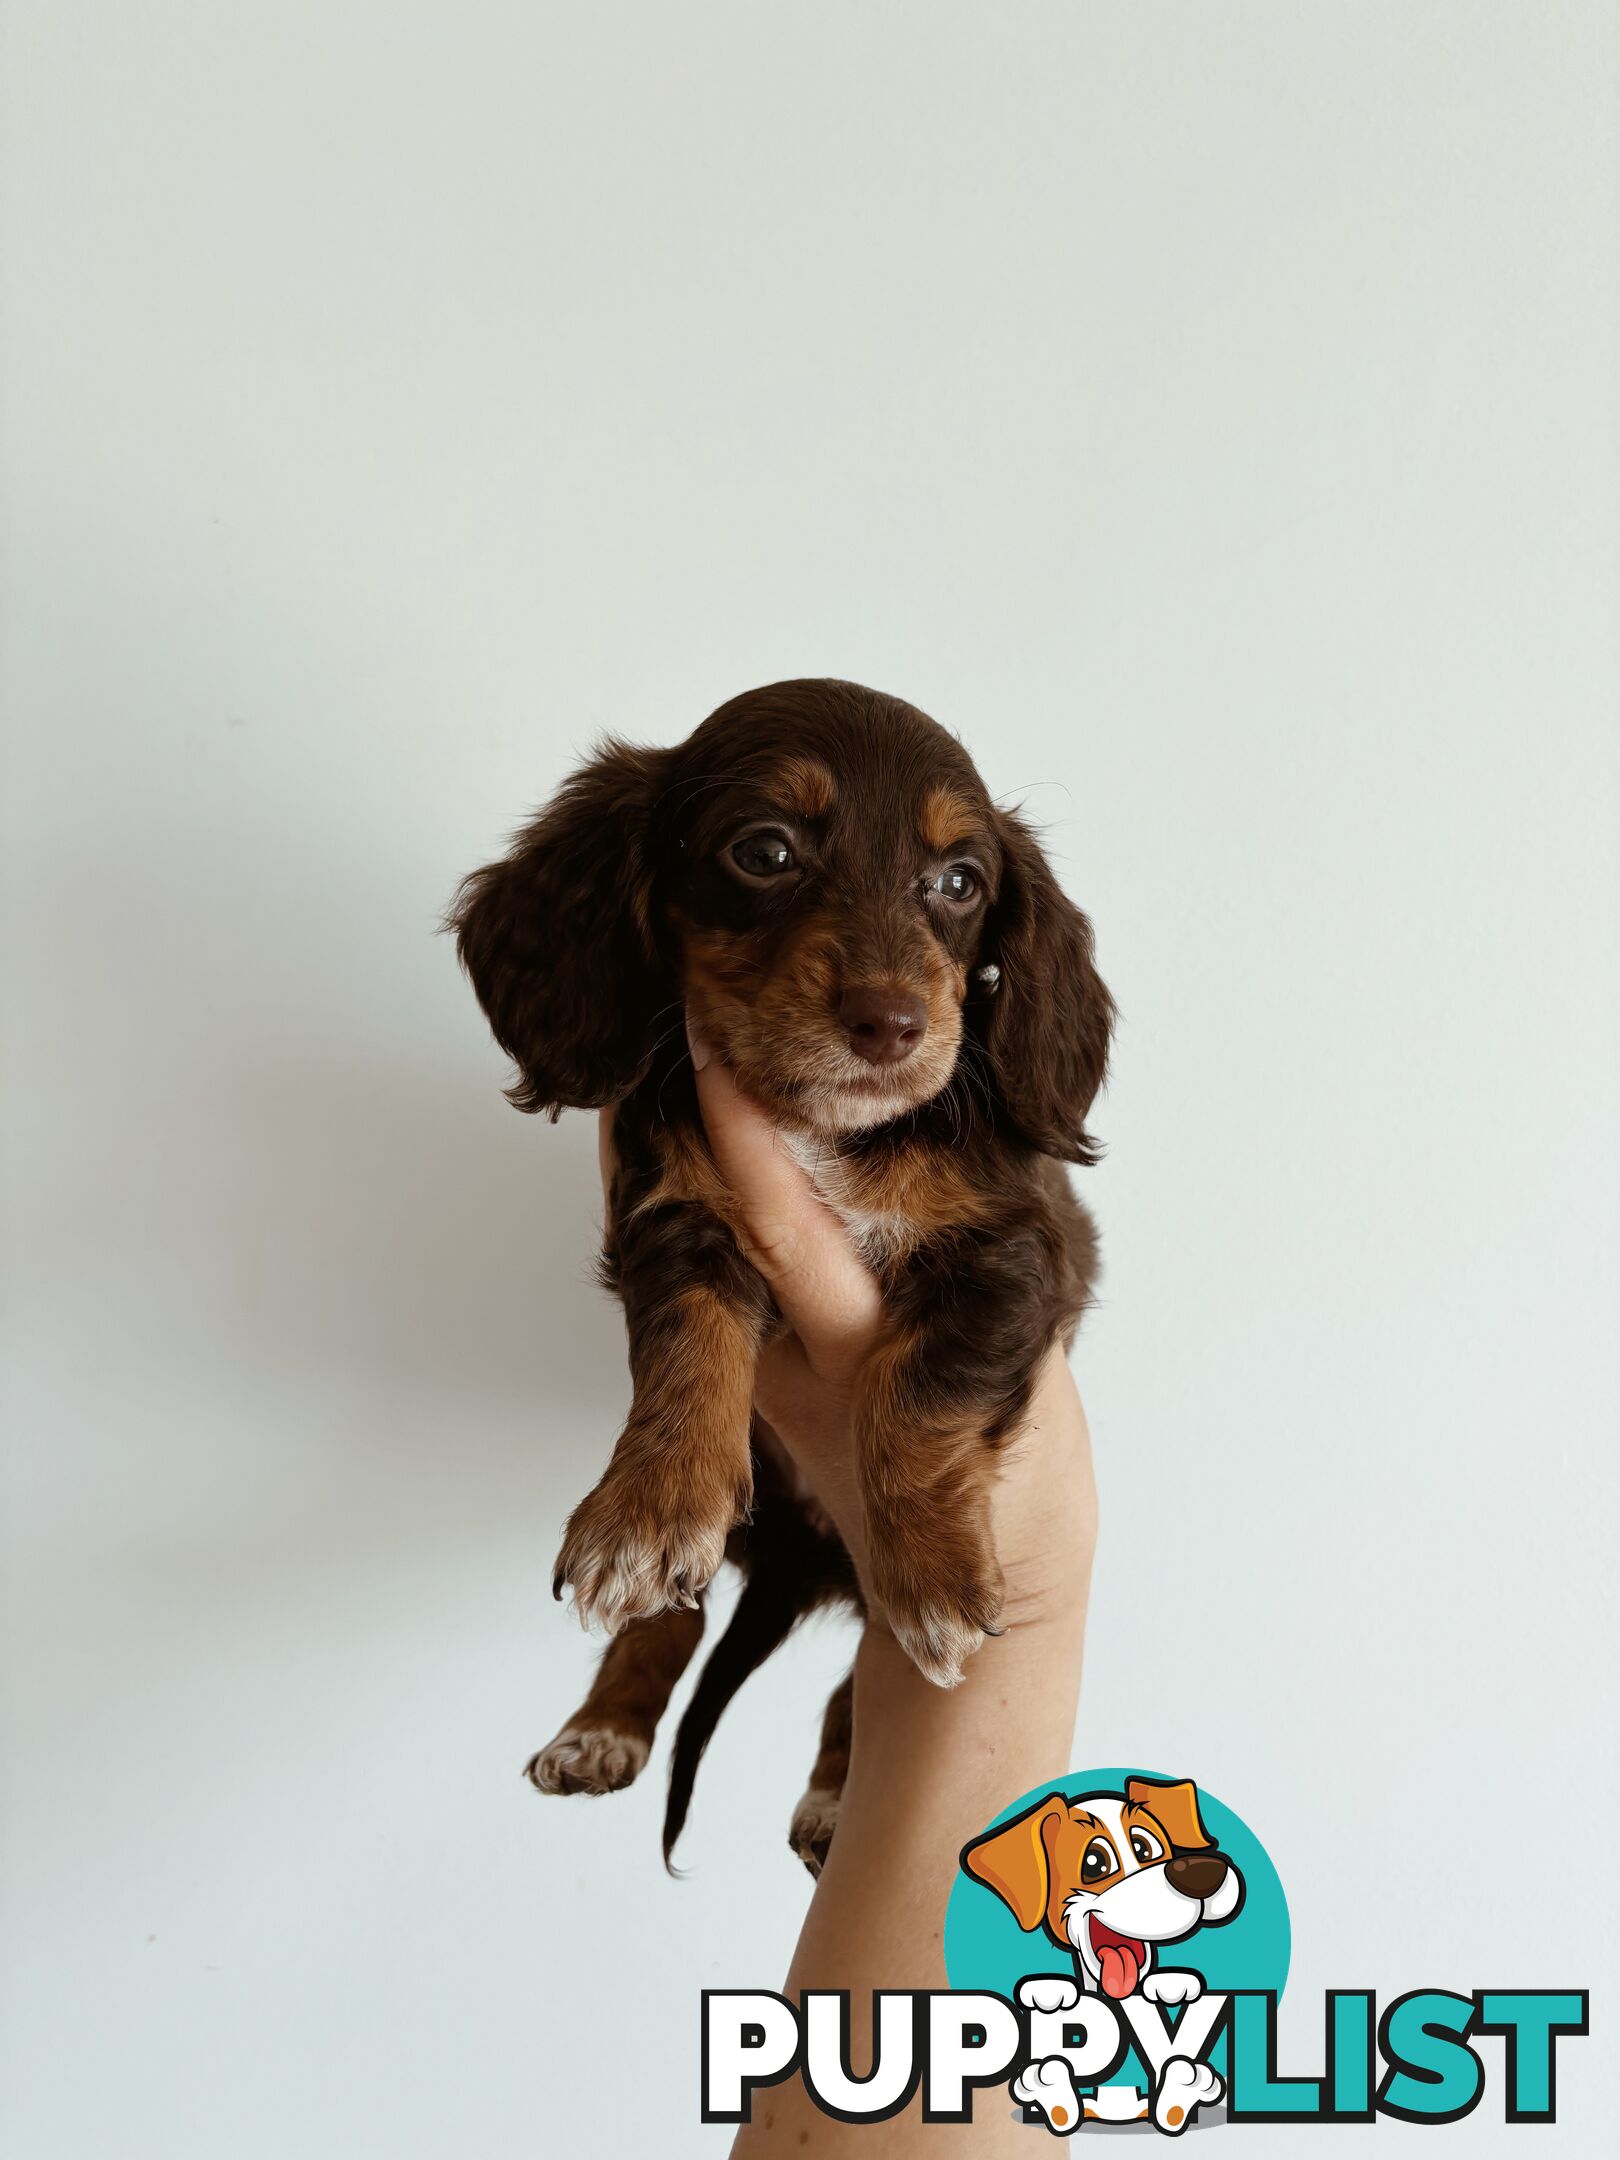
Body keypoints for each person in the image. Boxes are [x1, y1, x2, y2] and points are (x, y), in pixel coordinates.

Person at [608, 1026, 1098, 2152]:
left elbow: (1004, 1270)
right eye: (766, 849)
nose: (885, 992)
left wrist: (949, 1520)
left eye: (951, 884)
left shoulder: (968, 1152)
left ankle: (836, 1756)